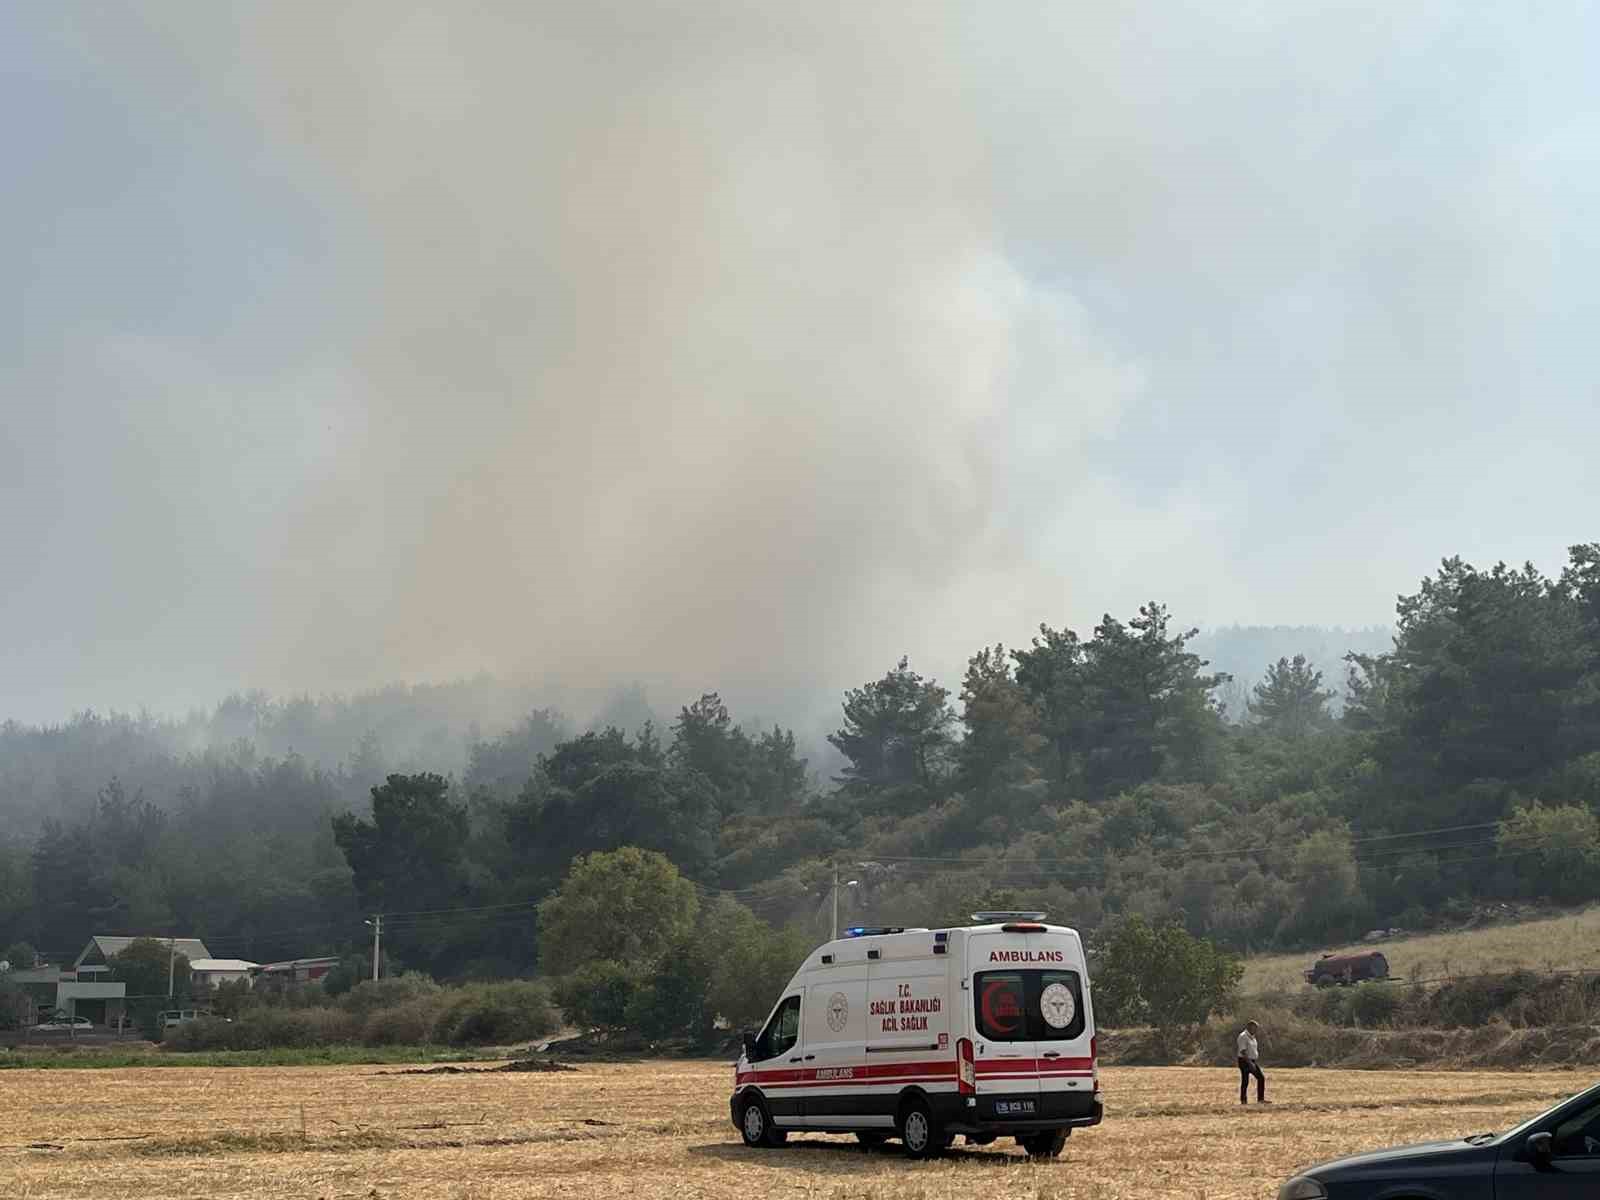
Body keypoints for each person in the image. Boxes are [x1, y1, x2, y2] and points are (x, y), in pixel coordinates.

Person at [1237, 1019, 1268, 1105]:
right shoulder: (1243, 1036)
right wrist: (1250, 1063)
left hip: (1251, 1060)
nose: (1256, 1030)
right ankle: (1244, 1100)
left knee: (1259, 1078)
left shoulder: (1252, 1037)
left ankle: (1260, 1099)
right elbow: (1243, 1051)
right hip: (1245, 1060)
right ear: (1250, 1027)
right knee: (1246, 1080)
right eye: (1255, 1028)